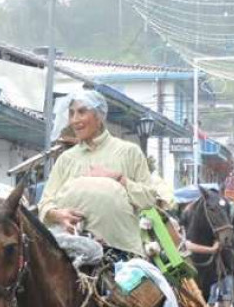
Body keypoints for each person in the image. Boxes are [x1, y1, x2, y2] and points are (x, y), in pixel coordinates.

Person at [39, 89, 158, 256]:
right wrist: (59, 215)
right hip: (71, 254)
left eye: (81, 112)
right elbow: (45, 204)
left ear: (99, 116)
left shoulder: (129, 152)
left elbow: (149, 199)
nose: (74, 120)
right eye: (71, 113)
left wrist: (118, 178)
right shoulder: (66, 159)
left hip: (121, 252)